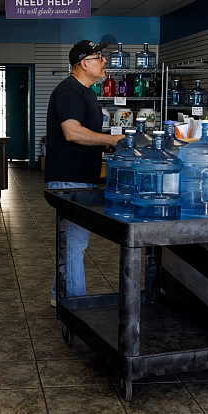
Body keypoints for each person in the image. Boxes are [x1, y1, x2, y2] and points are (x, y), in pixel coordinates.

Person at [46, 39, 123, 306]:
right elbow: (72, 132)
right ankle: (75, 306)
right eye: (99, 57)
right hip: (70, 178)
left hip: (81, 177)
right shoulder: (70, 91)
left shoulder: (87, 91)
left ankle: (61, 296)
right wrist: (110, 140)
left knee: (73, 244)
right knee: (75, 245)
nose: (105, 62)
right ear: (84, 63)